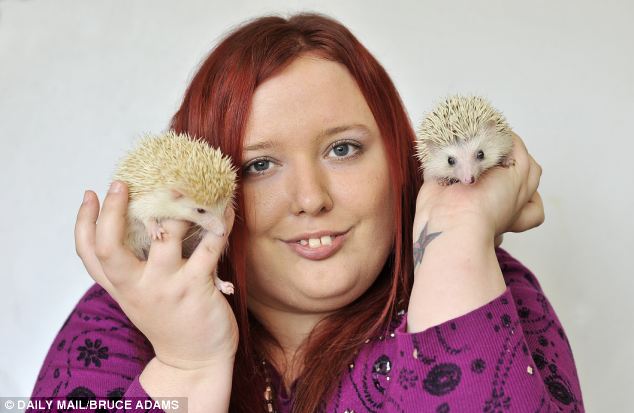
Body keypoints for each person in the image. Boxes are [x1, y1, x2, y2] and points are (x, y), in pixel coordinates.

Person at [27, 12, 584, 413]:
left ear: (399, 155)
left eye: (343, 149)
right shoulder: (122, 316)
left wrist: (458, 236)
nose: (311, 198)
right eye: (260, 165)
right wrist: (184, 367)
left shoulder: (484, 285)